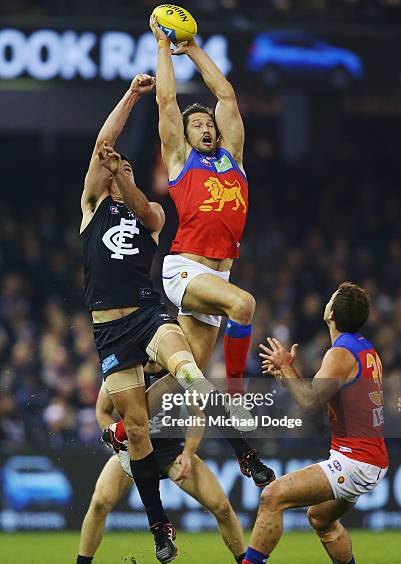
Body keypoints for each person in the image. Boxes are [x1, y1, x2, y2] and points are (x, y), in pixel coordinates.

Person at [80, 73, 260, 564]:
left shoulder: (151, 215)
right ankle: (159, 526)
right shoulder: (92, 207)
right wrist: (132, 97)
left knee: (190, 375)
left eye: (126, 168)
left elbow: (143, 205)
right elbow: (102, 145)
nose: (117, 169)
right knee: (135, 428)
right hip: (109, 331)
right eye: (114, 169)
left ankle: (244, 451)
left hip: (147, 315)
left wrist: (128, 179)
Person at [200, 282, 388, 564]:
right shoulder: (364, 348)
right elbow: (326, 401)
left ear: (330, 313)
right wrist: (287, 375)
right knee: (320, 518)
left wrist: (288, 369)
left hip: (356, 460)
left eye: (330, 299)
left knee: (273, 496)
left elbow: (310, 402)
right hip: (369, 457)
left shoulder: (340, 353)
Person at [61, 381, 275, 564]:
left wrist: (188, 453)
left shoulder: (172, 370)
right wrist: (120, 448)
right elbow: (102, 412)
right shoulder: (121, 372)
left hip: (172, 451)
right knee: (100, 503)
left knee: (221, 507)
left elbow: (197, 417)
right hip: (133, 450)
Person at [149, 16, 255, 397]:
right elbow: (165, 101)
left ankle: (123, 431)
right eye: (196, 125)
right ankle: (237, 394)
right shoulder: (180, 161)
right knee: (244, 305)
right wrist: (163, 47)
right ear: (185, 135)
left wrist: (192, 49)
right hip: (184, 271)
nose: (206, 128)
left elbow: (226, 97)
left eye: (208, 123)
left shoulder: (233, 159)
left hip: (217, 279)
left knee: (186, 376)